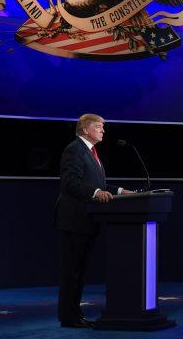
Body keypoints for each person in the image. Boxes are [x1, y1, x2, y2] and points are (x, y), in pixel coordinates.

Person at [54, 113, 132, 328]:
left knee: (79, 271)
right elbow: (70, 183)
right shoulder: (74, 150)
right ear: (86, 129)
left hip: (87, 222)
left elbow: (97, 183)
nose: (103, 130)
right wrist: (96, 192)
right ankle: (69, 317)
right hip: (74, 220)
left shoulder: (91, 152)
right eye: (99, 126)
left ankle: (74, 314)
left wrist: (120, 191)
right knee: (72, 272)